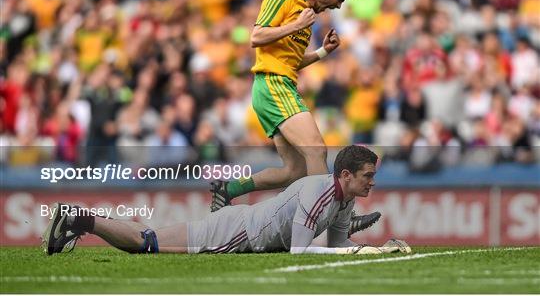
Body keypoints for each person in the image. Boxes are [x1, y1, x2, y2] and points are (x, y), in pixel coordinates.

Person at [210, 0, 379, 236]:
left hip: (280, 83)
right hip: (273, 85)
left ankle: (228, 189)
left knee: (295, 171)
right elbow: (256, 36)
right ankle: (337, 222)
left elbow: (291, 62)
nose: (338, 5)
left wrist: (323, 52)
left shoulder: (308, 16)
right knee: (317, 150)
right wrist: (296, 24)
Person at [44, 145, 408, 255]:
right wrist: (361, 253)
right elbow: (299, 251)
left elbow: (339, 243)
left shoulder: (343, 199)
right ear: (345, 175)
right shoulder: (320, 190)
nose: (372, 183)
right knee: (148, 243)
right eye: (368, 176)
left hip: (242, 226)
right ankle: (79, 219)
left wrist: (369, 248)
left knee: (152, 237)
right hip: (238, 233)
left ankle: (77, 221)